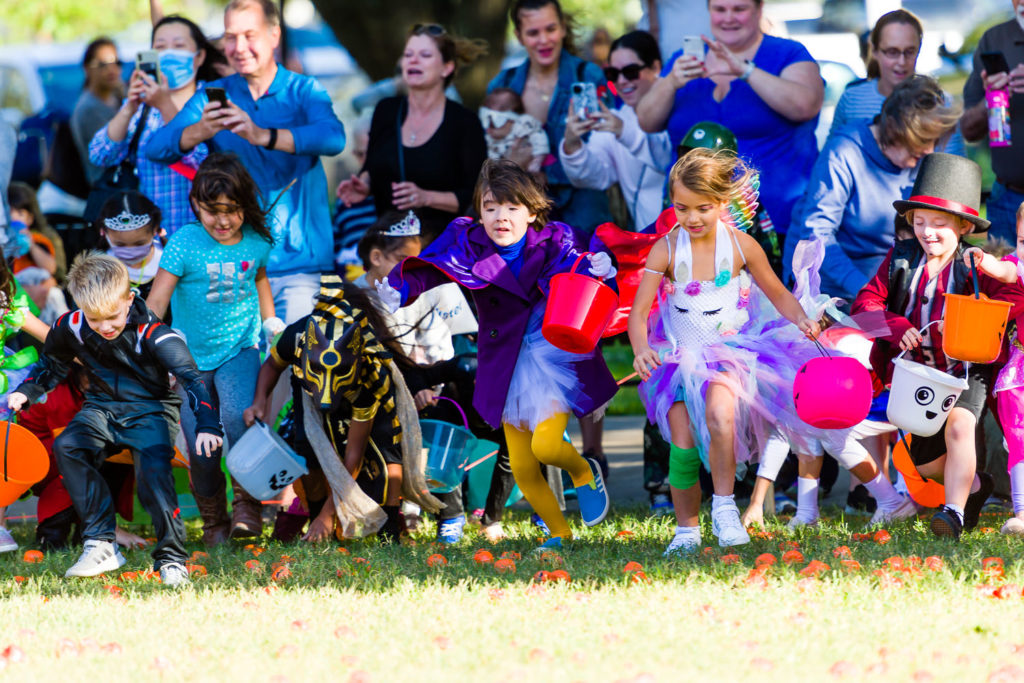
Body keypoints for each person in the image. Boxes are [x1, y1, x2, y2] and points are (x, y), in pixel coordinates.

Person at [379, 159, 616, 551]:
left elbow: (577, 261)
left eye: (510, 207)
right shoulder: (469, 243)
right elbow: (432, 268)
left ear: (532, 212)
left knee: (544, 445)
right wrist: (399, 287)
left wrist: (596, 268)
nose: (499, 217)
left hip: (550, 353)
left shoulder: (554, 239)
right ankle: (559, 532)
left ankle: (583, 471)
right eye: (489, 207)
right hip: (505, 363)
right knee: (522, 466)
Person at [627, 148, 822, 554]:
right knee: (681, 448)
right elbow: (639, 311)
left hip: (727, 353)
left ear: (722, 202)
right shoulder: (665, 249)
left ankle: (724, 507)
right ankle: (686, 531)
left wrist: (802, 320)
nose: (692, 218)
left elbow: (778, 292)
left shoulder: (741, 245)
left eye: (703, 208)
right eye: (682, 208)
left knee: (720, 414)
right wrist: (641, 348)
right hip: (678, 361)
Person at [8, 252, 223, 584]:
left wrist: (208, 426)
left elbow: (193, 379)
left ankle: (171, 559)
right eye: (95, 319)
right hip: (101, 406)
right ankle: (100, 541)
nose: (105, 327)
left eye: (112, 316)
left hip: (151, 410)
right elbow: (51, 366)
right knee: (69, 445)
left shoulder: (156, 334)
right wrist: (28, 391)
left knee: (153, 479)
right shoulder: (71, 326)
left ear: (129, 299)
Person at [851, 153, 1024, 540]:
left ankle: (953, 514)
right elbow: (864, 305)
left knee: (960, 427)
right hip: (919, 373)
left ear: (963, 226)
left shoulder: (974, 265)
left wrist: (971, 319)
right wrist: (896, 327)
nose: (928, 232)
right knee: (927, 463)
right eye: (919, 222)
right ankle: (975, 488)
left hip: (966, 368)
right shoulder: (900, 259)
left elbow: (1016, 296)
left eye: (940, 224)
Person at [147, 0, 345, 324]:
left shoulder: (304, 90)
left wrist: (263, 135)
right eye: (230, 37)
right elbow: (156, 148)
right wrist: (200, 130)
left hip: (299, 267)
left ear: (274, 35)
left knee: (294, 366)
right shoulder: (214, 94)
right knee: (245, 371)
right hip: (237, 265)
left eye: (249, 35)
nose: (239, 47)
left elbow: (334, 138)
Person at [244, 275, 443, 543]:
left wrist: (330, 513)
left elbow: (354, 456)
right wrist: (259, 402)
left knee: (385, 454)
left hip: (361, 397)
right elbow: (272, 365)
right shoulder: (298, 335)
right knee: (309, 452)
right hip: (308, 397)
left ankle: (389, 526)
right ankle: (319, 526)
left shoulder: (372, 368)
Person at [146, 153, 282, 546]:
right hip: (190, 359)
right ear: (195, 206)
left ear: (245, 208)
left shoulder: (256, 242)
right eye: (213, 212)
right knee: (203, 448)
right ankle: (213, 523)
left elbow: (259, 279)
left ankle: (247, 509)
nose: (223, 221)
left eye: (233, 211)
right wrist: (157, 346)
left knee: (241, 422)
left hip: (240, 348)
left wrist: (271, 324)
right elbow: (156, 302)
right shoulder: (184, 242)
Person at [636, 0, 823, 250]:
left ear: (759, 9)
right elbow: (646, 121)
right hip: (690, 222)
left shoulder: (787, 53)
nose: (728, 18)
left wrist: (745, 71)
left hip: (771, 226)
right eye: (720, 9)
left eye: (739, 9)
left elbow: (806, 105)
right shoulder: (685, 60)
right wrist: (670, 82)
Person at [790, 75, 961, 302]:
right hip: (840, 285)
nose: (928, 152)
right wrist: (866, 292)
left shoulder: (923, 155)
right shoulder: (844, 152)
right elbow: (817, 235)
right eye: (918, 147)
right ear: (893, 132)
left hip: (896, 277)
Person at [337, 23, 487, 243]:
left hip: (447, 249)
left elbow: (477, 196)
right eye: (408, 55)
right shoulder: (385, 111)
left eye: (425, 55)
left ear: (447, 68)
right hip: (391, 246)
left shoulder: (464, 122)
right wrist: (364, 184)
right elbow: (373, 166)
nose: (413, 60)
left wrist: (427, 197)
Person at [90, 15, 227, 235]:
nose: (169, 53)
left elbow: (205, 165)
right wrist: (129, 108)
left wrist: (165, 105)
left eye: (179, 45)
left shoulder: (212, 102)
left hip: (203, 241)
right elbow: (99, 155)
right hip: (150, 245)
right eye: (160, 46)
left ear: (199, 56)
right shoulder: (143, 108)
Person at [487, 0, 612, 235]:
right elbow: (490, 157)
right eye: (533, 32)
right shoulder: (502, 84)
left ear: (563, 28)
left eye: (551, 29)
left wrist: (550, 173)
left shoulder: (588, 76)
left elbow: (607, 150)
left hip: (584, 208)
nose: (544, 40)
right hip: (521, 206)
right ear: (519, 36)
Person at [559, 30, 672, 230]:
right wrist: (572, 144)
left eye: (630, 71)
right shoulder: (615, 118)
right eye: (613, 74)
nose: (621, 81)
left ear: (655, 67)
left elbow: (669, 162)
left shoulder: (679, 110)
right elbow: (592, 177)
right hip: (648, 245)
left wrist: (624, 132)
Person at [961, 204, 1024, 535]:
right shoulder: (1018, 267)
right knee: (1017, 436)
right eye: (1023, 240)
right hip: (1021, 367)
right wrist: (984, 261)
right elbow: (1006, 271)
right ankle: (1022, 511)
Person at [829, 10, 964, 156]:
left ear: (918, 50)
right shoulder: (852, 100)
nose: (901, 62)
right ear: (874, 51)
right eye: (892, 52)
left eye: (909, 52)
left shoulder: (941, 102)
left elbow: (952, 169)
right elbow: (832, 154)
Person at [71, 38, 124, 188]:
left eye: (117, 63)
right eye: (103, 65)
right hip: (108, 188)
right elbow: (113, 152)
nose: (111, 70)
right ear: (87, 68)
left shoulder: (118, 97)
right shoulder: (89, 108)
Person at [94, 191, 164, 300]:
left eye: (139, 243)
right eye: (120, 245)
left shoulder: (166, 260)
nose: (130, 250)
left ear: (154, 230)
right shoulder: (99, 268)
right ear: (104, 232)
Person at [480, 88, 549, 174]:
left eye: (494, 123)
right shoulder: (489, 139)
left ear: (512, 118)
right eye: (485, 120)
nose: (488, 127)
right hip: (507, 178)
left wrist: (537, 160)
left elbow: (539, 137)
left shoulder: (523, 125)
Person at [7, 182, 66, 280]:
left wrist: (32, 245)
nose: (14, 218)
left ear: (30, 218)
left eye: (20, 213)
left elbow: (55, 271)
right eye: (9, 213)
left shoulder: (41, 238)